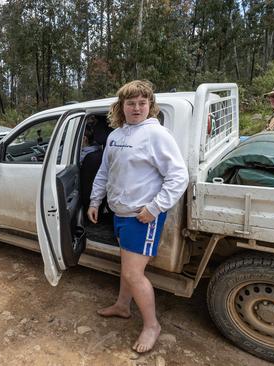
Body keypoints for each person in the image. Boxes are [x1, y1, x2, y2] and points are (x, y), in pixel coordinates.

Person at [88, 80, 189, 353]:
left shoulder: (156, 135)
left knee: (134, 273)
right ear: (122, 106)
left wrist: (154, 208)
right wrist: (95, 200)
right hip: (120, 212)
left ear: (150, 106)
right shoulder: (116, 136)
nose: (136, 108)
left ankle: (152, 325)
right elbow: (104, 172)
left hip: (142, 216)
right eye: (131, 103)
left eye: (142, 103)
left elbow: (179, 176)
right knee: (127, 268)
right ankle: (122, 306)